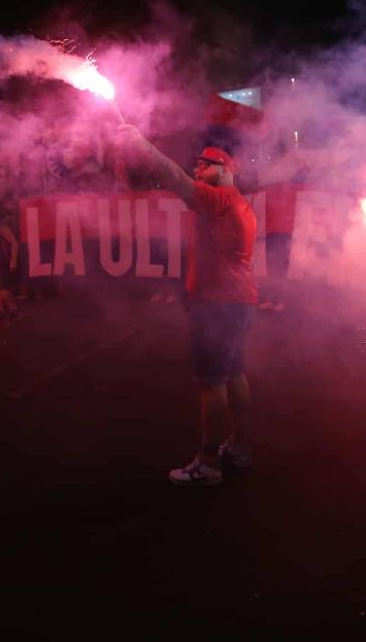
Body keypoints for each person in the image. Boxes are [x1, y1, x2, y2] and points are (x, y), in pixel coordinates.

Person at [117, 125, 257, 486]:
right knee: (234, 373)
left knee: (211, 382)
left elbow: (174, 177)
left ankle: (208, 464)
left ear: (227, 169)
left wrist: (140, 143)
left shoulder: (218, 200)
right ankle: (239, 446)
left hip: (217, 306)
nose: (198, 169)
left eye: (207, 165)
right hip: (239, 303)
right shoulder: (239, 203)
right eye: (197, 164)